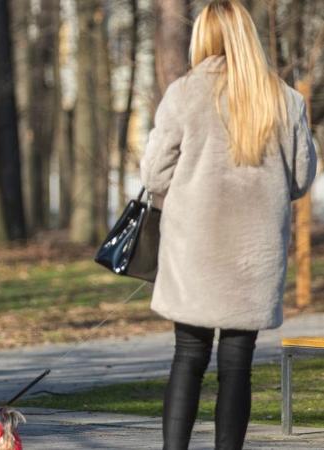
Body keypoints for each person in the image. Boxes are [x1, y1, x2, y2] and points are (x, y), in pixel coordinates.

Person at [140, 1, 317, 449]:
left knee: (188, 356)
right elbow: (300, 178)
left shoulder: (185, 93)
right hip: (252, 254)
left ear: (204, 37)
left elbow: (154, 174)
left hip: (194, 250)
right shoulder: (285, 98)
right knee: (238, 363)